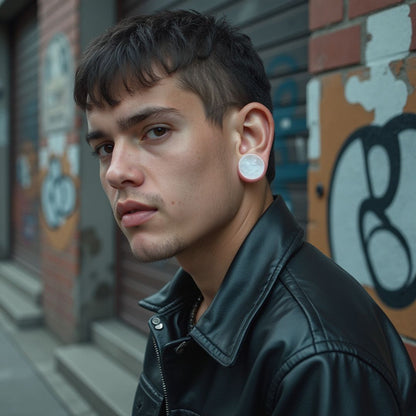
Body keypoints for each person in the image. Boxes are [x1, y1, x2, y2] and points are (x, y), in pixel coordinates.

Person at [74, 10, 416, 416]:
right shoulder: (187, 308)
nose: (116, 172)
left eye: (155, 131)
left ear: (249, 139)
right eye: (105, 148)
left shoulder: (318, 358)